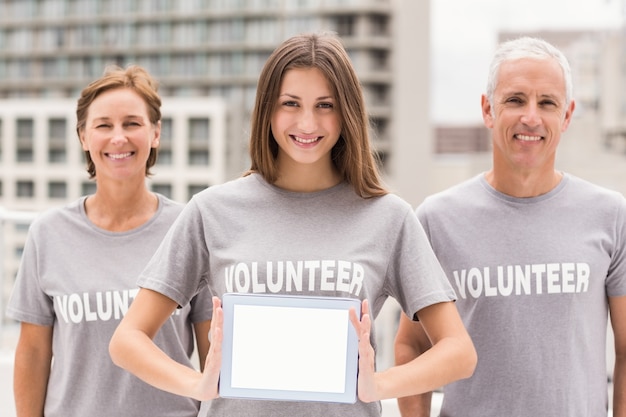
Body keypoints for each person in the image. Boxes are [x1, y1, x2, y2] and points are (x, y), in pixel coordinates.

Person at [108, 32, 477, 417]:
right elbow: (127, 340)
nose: (307, 122)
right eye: (291, 103)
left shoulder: (389, 217)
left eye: (324, 105)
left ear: (346, 112)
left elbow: (458, 353)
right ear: (268, 110)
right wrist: (198, 384)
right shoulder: (212, 210)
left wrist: (378, 384)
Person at [394, 36, 626, 417]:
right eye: (515, 100)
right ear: (488, 110)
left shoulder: (610, 215)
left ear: (567, 116)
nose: (530, 117)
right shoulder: (437, 220)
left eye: (547, 103)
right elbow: (412, 345)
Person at [6, 64, 213, 417]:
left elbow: (214, 353)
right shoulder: (48, 234)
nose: (119, 137)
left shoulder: (190, 227)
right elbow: (33, 353)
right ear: (84, 137)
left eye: (132, 123)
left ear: (155, 133)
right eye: (104, 125)